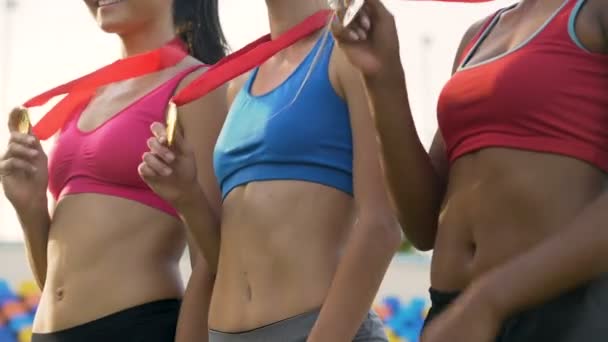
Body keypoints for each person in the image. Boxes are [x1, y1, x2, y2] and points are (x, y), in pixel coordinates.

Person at [333, 0, 608, 341]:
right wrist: (383, 74)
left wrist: (490, 300)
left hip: (560, 312)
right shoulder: (477, 36)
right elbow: (423, 226)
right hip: (455, 313)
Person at [139, 0, 403, 340]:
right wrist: (187, 195)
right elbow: (222, 257)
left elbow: (381, 225)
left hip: (315, 330)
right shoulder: (238, 85)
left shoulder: (349, 55)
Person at [0, 0, 227, 341]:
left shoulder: (197, 87)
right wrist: (29, 208)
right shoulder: (81, 99)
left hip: (136, 327)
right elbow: (56, 281)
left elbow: (210, 260)